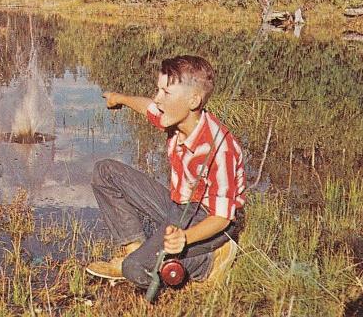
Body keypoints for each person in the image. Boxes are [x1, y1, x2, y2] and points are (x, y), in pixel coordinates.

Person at [86, 55, 245, 290]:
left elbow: (222, 217)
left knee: (134, 270)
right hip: (178, 206)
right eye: (158, 90)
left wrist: (185, 238)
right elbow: (146, 107)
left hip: (210, 221)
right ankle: (136, 251)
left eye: (166, 93)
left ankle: (208, 261)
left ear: (193, 100)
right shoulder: (174, 116)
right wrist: (118, 98)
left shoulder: (221, 149)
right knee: (105, 172)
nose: (157, 99)